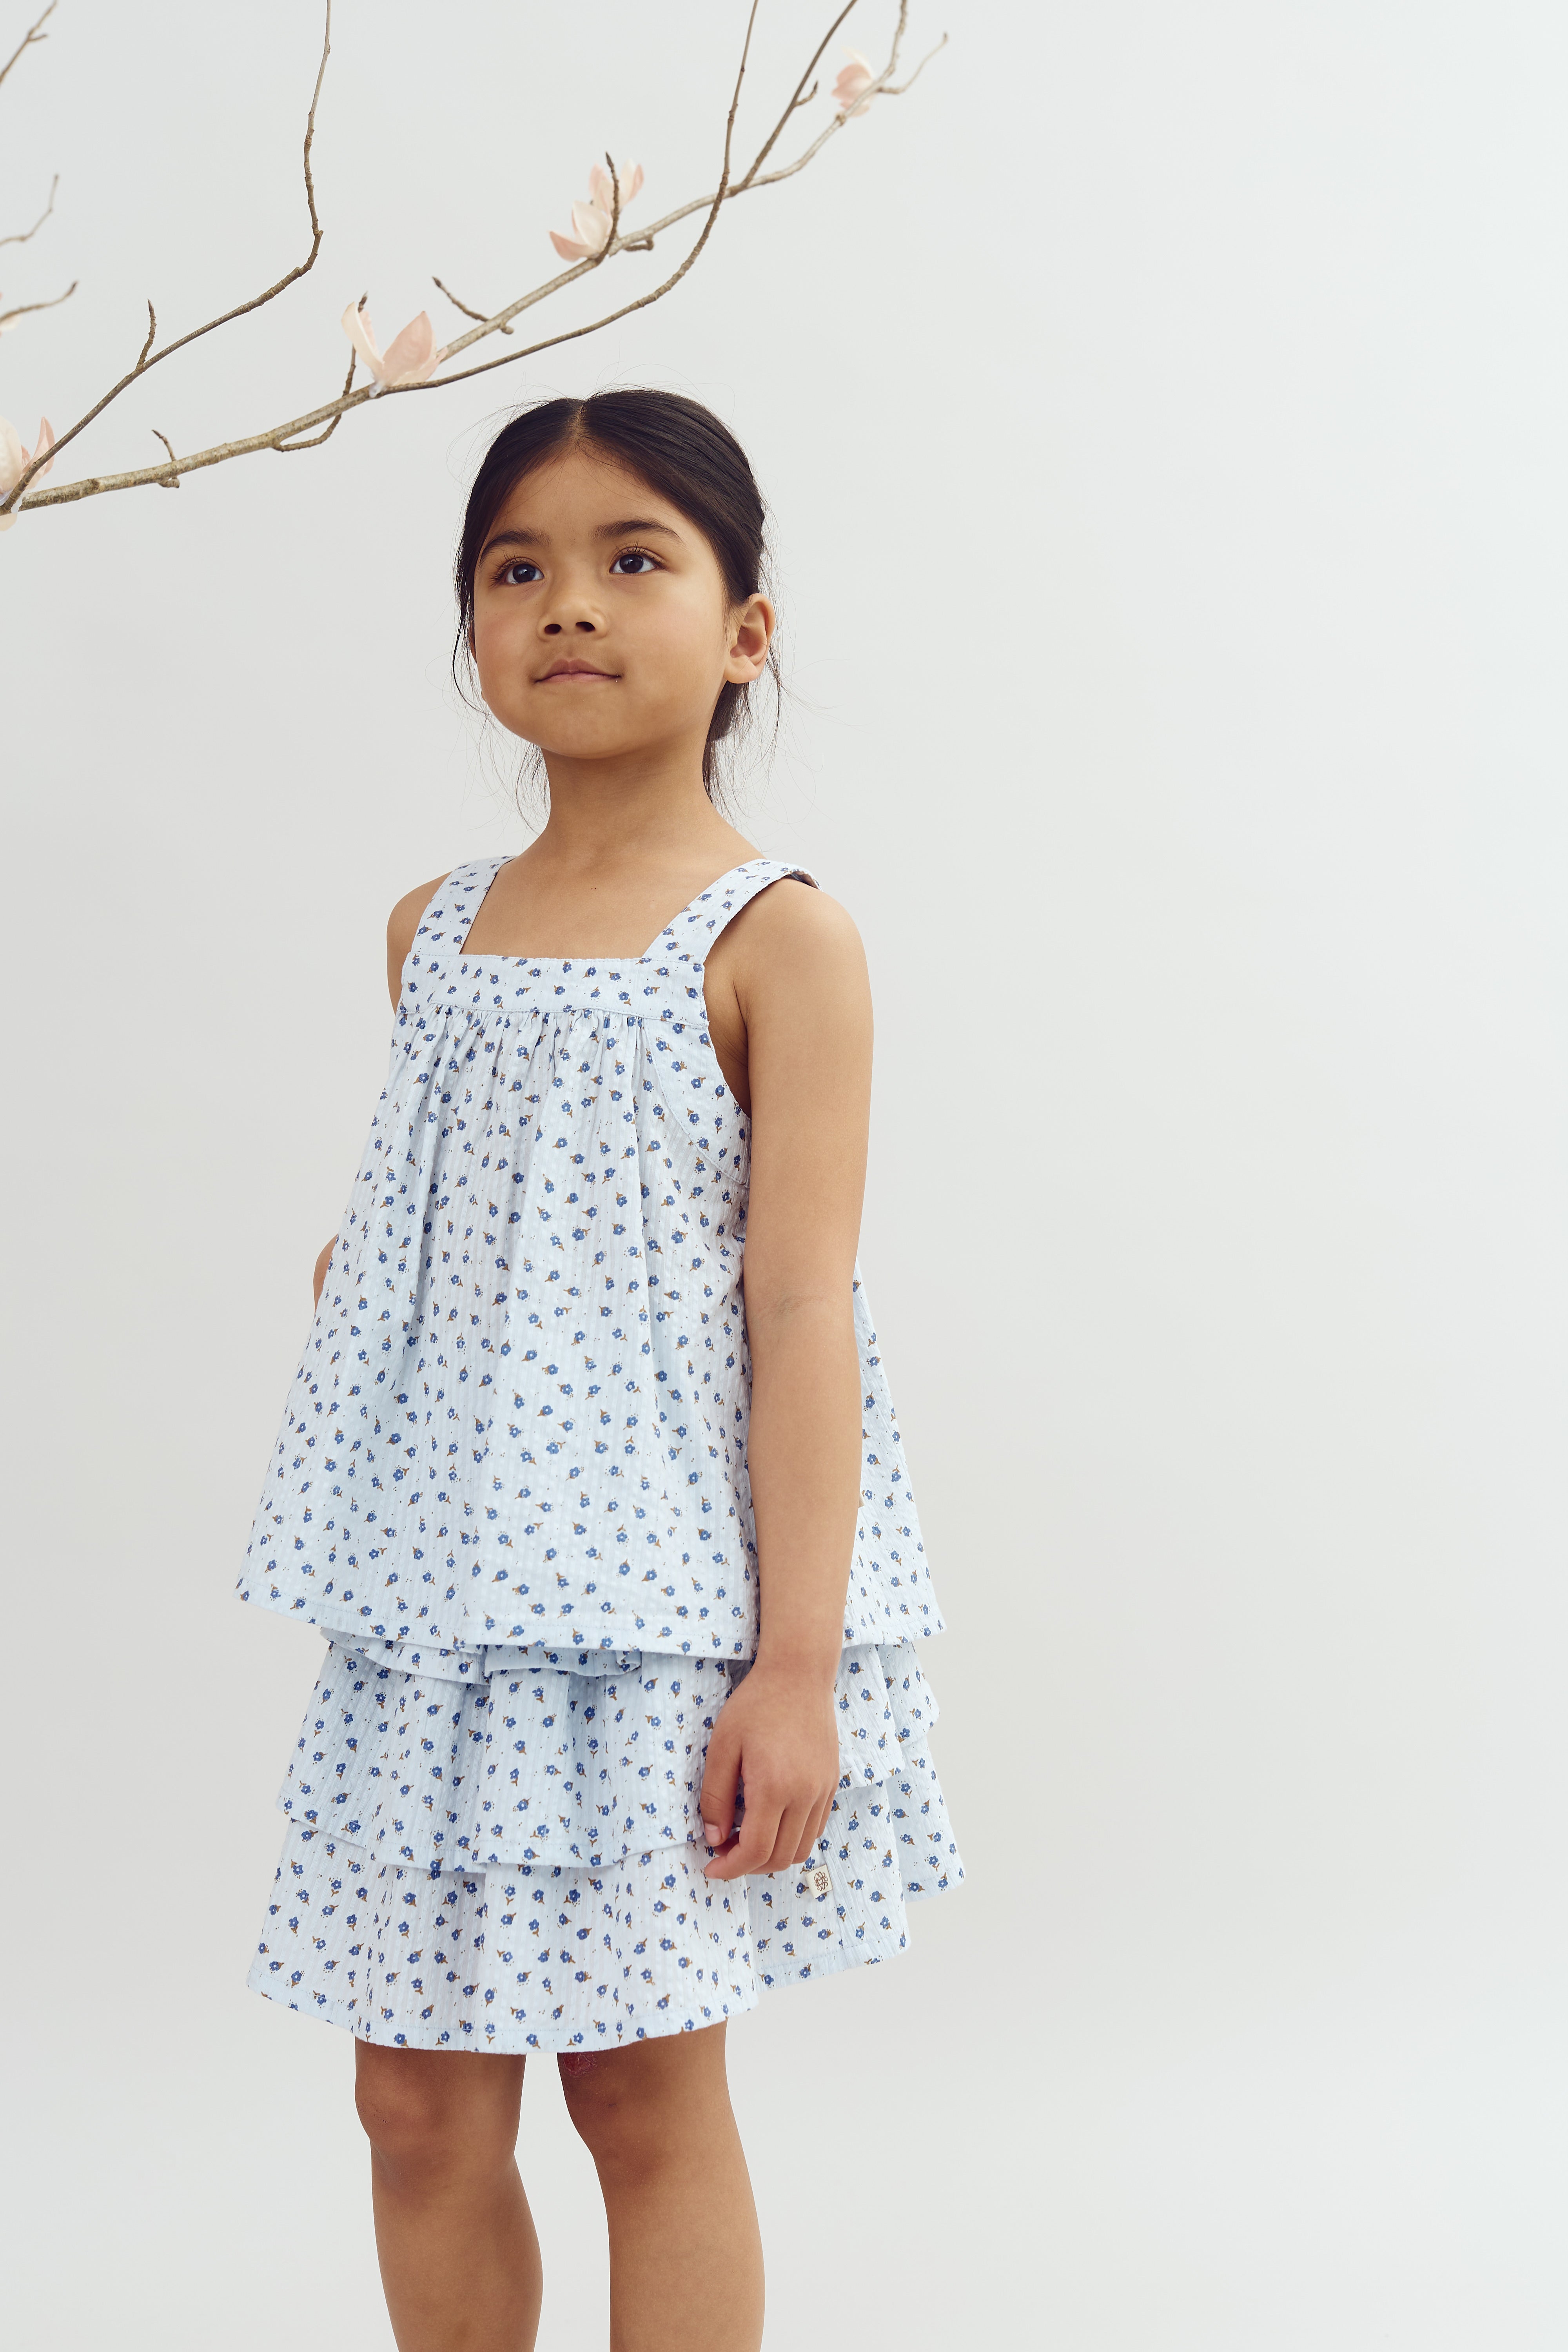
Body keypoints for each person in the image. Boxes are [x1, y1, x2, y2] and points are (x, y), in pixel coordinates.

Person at [239, 388, 962, 2352]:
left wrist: (792, 1668)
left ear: (744, 631)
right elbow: (438, 1229)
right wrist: (383, 1288)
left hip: (653, 1620)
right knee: (413, 2108)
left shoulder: (779, 941)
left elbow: (800, 1313)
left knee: (639, 2098)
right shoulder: (432, 933)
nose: (567, 602)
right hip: (442, 1612)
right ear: (473, 629)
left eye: (634, 558)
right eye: (515, 568)